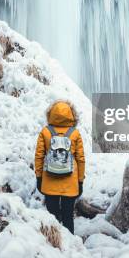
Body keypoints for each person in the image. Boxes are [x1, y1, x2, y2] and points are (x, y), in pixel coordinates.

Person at [34, 100, 85, 234]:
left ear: (50, 114)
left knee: (52, 217)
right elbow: (80, 159)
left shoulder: (45, 132)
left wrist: (39, 177)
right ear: (71, 114)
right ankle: (70, 249)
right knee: (68, 217)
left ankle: (54, 246)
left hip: (49, 182)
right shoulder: (75, 133)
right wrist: (80, 181)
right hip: (70, 183)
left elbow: (39, 157)